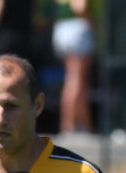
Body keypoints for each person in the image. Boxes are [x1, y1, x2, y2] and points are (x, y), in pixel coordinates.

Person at [49, 0, 93, 135]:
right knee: (76, 81)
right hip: (77, 27)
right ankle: (69, 124)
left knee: (73, 79)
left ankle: (82, 124)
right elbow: (80, 6)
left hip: (62, 27)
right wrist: (92, 22)